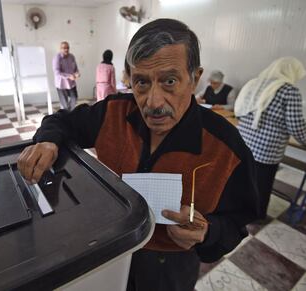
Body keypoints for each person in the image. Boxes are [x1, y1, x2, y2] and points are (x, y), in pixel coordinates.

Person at [18, 19, 259, 291]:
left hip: (169, 270)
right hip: (110, 254)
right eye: (141, 83)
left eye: (169, 81)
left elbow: (238, 221)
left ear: (195, 78)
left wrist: (207, 231)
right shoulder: (113, 113)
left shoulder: (225, 146)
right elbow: (60, 121)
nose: (153, 102)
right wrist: (48, 141)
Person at [235, 57, 306, 219]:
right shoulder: (289, 90)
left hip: (244, 142)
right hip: (265, 151)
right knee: (261, 185)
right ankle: (256, 216)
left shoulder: (255, 83)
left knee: (244, 179)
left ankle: (239, 208)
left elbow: (240, 110)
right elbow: (296, 126)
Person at [52, 41, 80, 110]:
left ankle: (69, 113)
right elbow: (57, 72)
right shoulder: (57, 58)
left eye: (67, 48)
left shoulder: (71, 56)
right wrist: (69, 76)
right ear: (60, 49)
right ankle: (66, 116)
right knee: (64, 104)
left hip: (71, 84)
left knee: (74, 98)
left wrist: (77, 73)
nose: (66, 49)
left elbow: (76, 68)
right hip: (61, 84)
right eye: (64, 48)